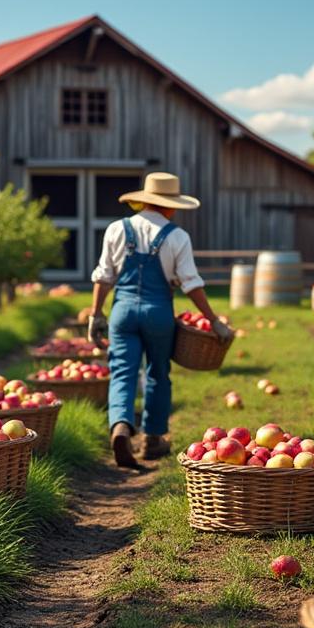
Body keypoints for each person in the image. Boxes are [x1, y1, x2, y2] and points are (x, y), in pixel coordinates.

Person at [88, 172, 232, 469]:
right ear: (171, 206)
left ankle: (121, 427)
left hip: (123, 312)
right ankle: (153, 439)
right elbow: (191, 284)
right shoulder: (177, 236)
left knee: (122, 372)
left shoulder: (117, 228)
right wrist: (213, 320)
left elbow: (104, 277)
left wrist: (95, 314)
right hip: (158, 314)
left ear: (145, 201)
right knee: (157, 372)